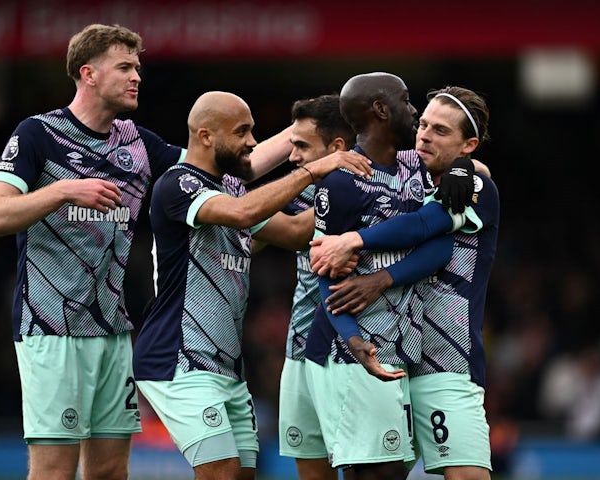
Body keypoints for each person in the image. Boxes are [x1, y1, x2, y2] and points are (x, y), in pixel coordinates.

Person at [0, 23, 295, 480]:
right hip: (51, 329)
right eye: (125, 67)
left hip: (112, 329)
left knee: (110, 471)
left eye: (138, 68)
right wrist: (65, 192)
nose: (137, 77)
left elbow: (229, 165)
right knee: (54, 471)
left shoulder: (138, 144)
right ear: (88, 73)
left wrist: (302, 135)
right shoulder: (38, 135)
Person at [131, 90, 373, 480]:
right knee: (222, 470)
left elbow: (295, 232)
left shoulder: (232, 191)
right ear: (207, 136)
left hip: (226, 366)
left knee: (242, 473)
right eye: (242, 131)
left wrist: (369, 191)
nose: (252, 142)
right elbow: (244, 213)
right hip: (177, 358)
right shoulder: (178, 185)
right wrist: (314, 170)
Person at [309, 86, 498, 480]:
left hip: (448, 360)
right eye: (424, 124)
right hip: (393, 354)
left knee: (468, 476)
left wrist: (355, 244)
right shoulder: (408, 171)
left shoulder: (475, 189)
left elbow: (425, 225)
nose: (425, 134)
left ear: (469, 144)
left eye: (441, 131)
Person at [276, 94, 356, 480]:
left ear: (337, 148)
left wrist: (465, 168)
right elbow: (246, 224)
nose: (293, 157)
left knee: (369, 470)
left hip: (359, 351)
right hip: (300, 347)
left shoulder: (388, 186)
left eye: (302, 146)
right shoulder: (298, 192)